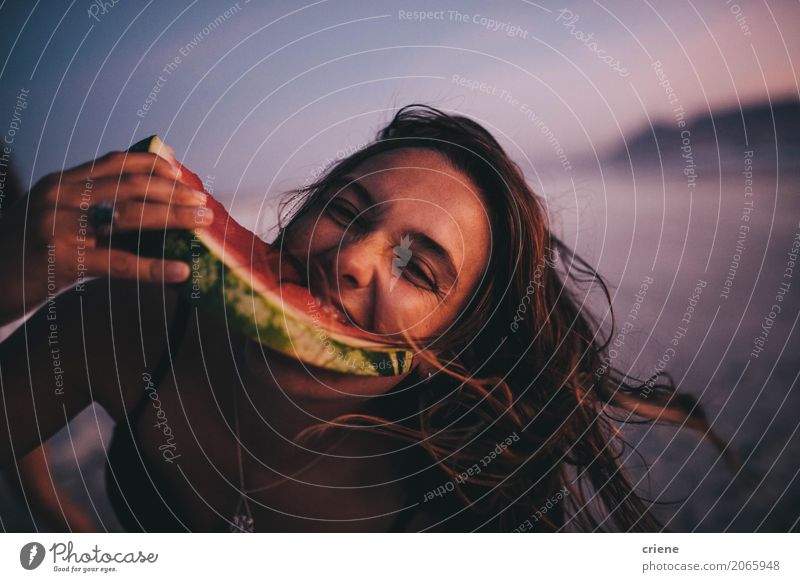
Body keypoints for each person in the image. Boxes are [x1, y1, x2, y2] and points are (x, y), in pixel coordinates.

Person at [0, 105, 720, 532]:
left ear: (452, 340)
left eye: (418, 268)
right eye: (344, 210)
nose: (350, 258)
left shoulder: (452, 504)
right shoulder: (132, 323)